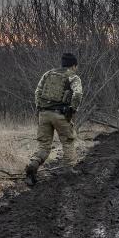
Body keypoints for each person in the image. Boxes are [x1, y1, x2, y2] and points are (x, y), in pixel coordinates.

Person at [24, 53, 83, 186]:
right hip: (60, 114)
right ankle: (69, 171)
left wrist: (40, 108)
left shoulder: (48, 74)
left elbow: (37, 92)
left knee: (44, 145)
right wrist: (73, 109)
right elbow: (78, 93)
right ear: (74, 65)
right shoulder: (73, 77)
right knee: (68, 142)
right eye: (76, 66)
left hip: (44, 114)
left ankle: (33, 165)